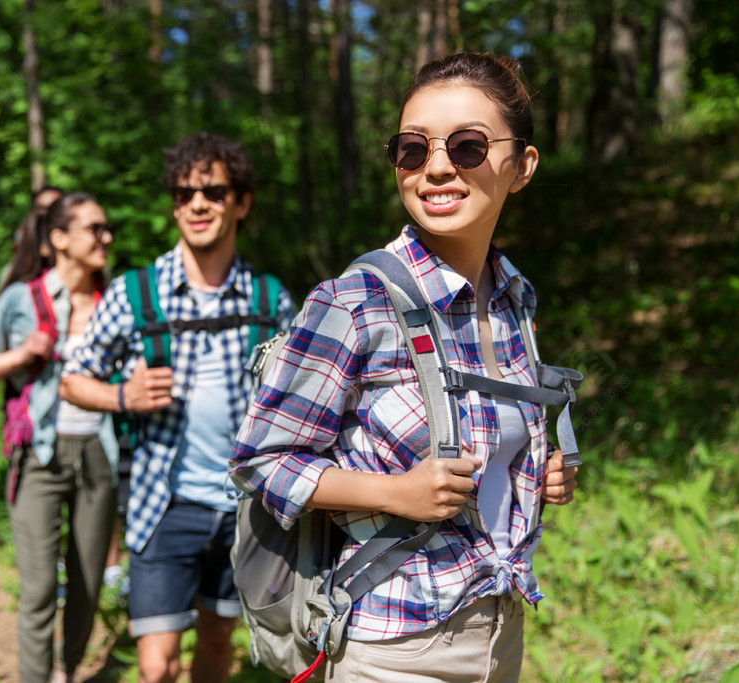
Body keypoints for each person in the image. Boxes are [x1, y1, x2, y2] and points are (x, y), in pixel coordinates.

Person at [231, 52, 579, 682]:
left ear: (521, 167)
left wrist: (538, 475)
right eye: (412, 150)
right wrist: (395, 493)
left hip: (500, 626)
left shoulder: (515, 296)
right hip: (394, 646)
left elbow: (489, 446)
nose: (437, 166)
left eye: (468, 146)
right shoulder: (354, 302)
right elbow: (263, 461)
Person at [60, 132, 295, 683]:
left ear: (241, 202)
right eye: (184, 193)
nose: (197, 204)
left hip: (245, 508)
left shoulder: (270, 299)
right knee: (157, 664)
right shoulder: (136, 294)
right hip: (163, 504)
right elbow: (73, 381)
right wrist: (122, 396)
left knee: (217, 643)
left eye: (214, 191)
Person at [0, 191, 118, 683]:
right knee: (38, 589)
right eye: (94, 228)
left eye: (105, 227)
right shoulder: (20, 299)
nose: (105, 237)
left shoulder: (114, 301)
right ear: (58, 239)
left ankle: (67, 670)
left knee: (88, 586)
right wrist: (19, 355)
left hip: (100, 453)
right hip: (39, 456)